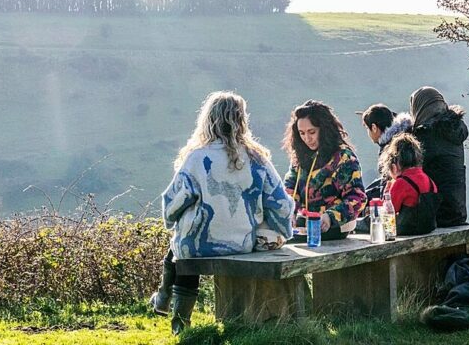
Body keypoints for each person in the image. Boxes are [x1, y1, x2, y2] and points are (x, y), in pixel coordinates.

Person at [150, 91, 294, 334]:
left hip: (199, 245)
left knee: (182, 246)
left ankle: (179, 324)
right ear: (241, 120)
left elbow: (172, 203)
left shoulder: (197, 158)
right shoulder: (257, 158)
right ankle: (167, 302)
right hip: (242, 243)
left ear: (208, 120)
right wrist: (281, 231)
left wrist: (174, 222)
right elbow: (282, 203)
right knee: (183, 245)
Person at [282, 100, 367, 240]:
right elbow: (290, 188)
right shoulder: (300, 157)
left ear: (324, 129)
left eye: (312, 132)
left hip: (335, 228)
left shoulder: (343, 157)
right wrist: (288, 213)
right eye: (302, 133)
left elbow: (357, 198)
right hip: (305, 226)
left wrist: (329, 217)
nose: (307, 139)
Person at [409, 86, 469, 227]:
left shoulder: (427, 134)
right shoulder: (452, 130)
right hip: (456, 212)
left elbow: (409, 168)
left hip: (437, 215)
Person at [379, 133, 440, 235]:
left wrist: (386, 196)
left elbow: (388, 214)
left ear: (394, 167)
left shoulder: (401, 183)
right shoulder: (428, 180)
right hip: (428, 228)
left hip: (407, 230)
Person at [358, 103, 413, 200]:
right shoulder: (403, 137)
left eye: (367, 128)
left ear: (374, 128)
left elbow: (389, 182)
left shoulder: (392, 147)